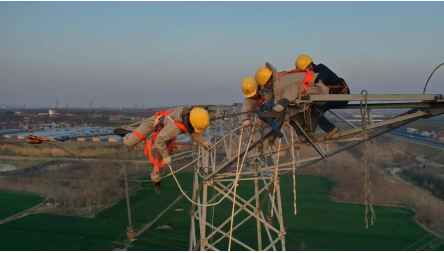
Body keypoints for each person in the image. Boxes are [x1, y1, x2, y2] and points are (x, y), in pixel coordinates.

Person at [114, 106, 211, 195]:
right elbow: (159, 141)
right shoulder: (176, 128)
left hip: (167, 129)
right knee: (130, 142)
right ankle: (126, 134)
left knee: (161, 162)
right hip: (155, 122)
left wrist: (202, 142)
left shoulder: (193, 112)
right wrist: (166, 156)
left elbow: (193, 130)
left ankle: (156, 180)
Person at [254, 62, 330, 142]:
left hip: (320, 91)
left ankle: (272, 135)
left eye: (265, 85)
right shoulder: (280, 78)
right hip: (314, 89)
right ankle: (302, 135)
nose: (266, 88)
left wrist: (271, 112)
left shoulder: (279, 84)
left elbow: (277, 108)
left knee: (293, 88)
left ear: (268, 82)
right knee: (291, 110)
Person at [295, 55, 351, 139]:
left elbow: (319, 88)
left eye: (305, 70)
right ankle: (308, 133)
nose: (304, 72)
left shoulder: (320, 70)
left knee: (313, 109)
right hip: (331, 95)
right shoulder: (312, 73)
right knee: (309, 109)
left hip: (341, 96)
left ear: (310, 65)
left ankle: (327, 129)